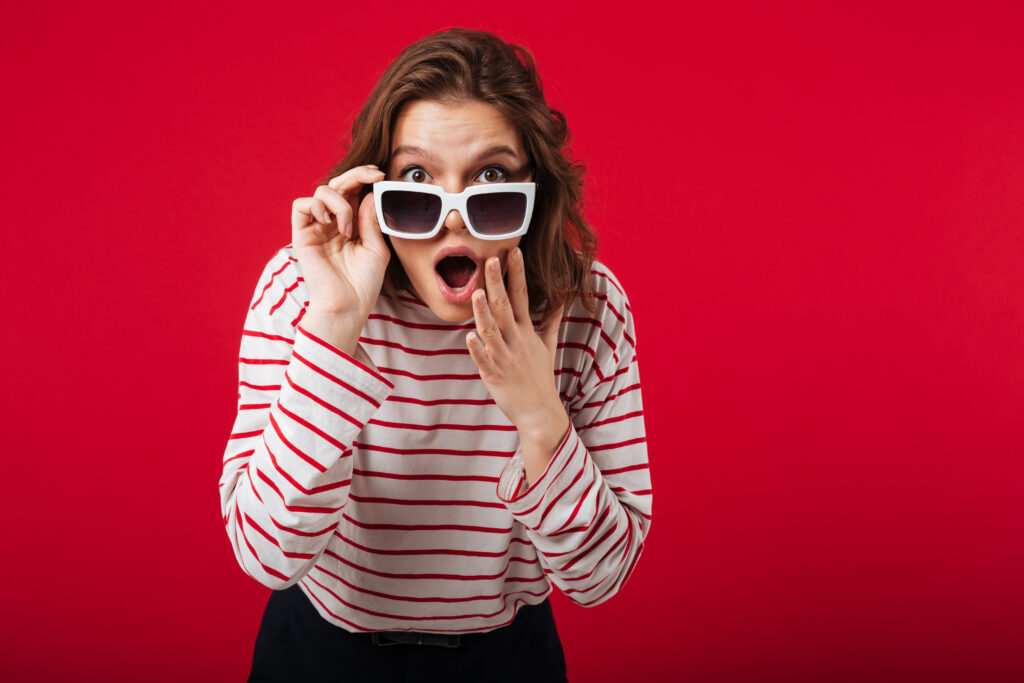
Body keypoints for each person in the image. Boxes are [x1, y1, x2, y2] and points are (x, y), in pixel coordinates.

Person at [219, 28, 652, 682]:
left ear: (534, 193)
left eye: (492, 177)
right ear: (377, 192)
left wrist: (540, 415)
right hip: (320, 653)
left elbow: (600, 577)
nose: (455, 217)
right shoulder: (300, 291)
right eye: (418, 178)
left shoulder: (588, 309)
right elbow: (266, 554)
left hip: (508, 658)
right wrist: (336, 327)